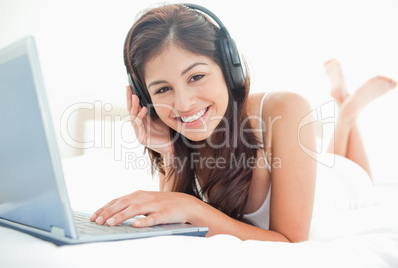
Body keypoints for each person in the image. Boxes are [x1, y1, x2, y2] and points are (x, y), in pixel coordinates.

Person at [90, 4, 396, 242]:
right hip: (312, 164)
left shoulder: (284, 107)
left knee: (359, 177)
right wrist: (169, 153)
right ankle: (344, 107)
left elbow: (290, 242)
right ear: (145, 97)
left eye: (196, 76)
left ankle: (346, 114)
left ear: (229, 68)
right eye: (162, 89)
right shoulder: (177, 136)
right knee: (332, 154)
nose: (183, 104)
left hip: (338, 183)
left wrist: (196, 209)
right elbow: (178, 208)